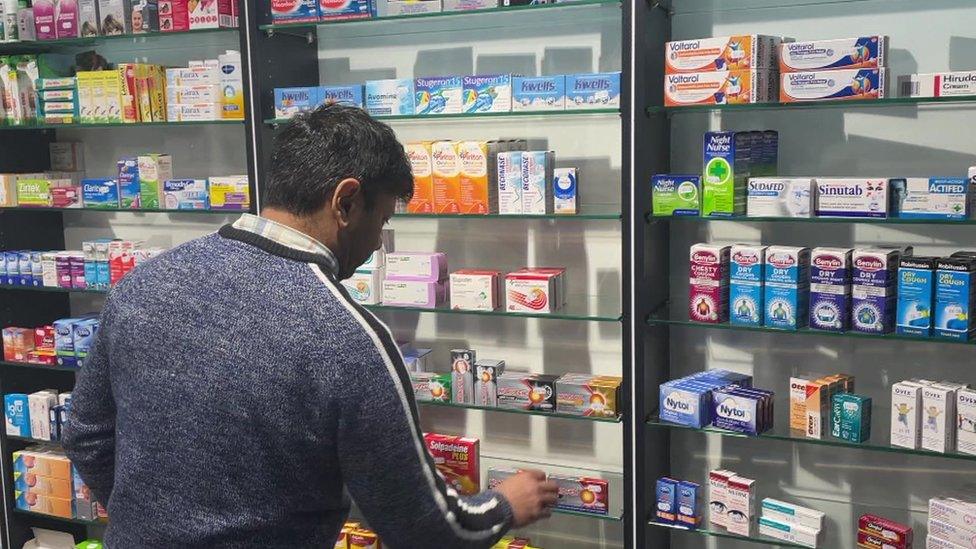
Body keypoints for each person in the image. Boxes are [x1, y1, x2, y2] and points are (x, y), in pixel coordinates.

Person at [63, 104, 559, 548]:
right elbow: (418, 528)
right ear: (346, 203)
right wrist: (505, 504)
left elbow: (85, 434)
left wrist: (157, 525)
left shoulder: (143, 284)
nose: (375, 244)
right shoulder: (345, 336)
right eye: (381, 220)